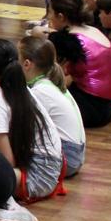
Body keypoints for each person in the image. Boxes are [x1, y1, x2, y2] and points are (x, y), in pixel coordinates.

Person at [0, 39, 65, 207]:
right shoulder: (21, 89)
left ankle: (6, 210)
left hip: (36, 177)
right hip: (51, 169)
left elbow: (7, 164)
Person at [47, 0, 111, 127]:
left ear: (61, 16)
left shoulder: (67, 39)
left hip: (89, 109)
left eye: (51, 12)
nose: (49, 17)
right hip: (110, 106)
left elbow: (55, 77)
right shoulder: (94, 30)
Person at [20, 35, 87, 177]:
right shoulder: (48, 83)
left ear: (26, 64)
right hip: (75, 155)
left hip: (67, 158)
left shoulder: (40, 92)